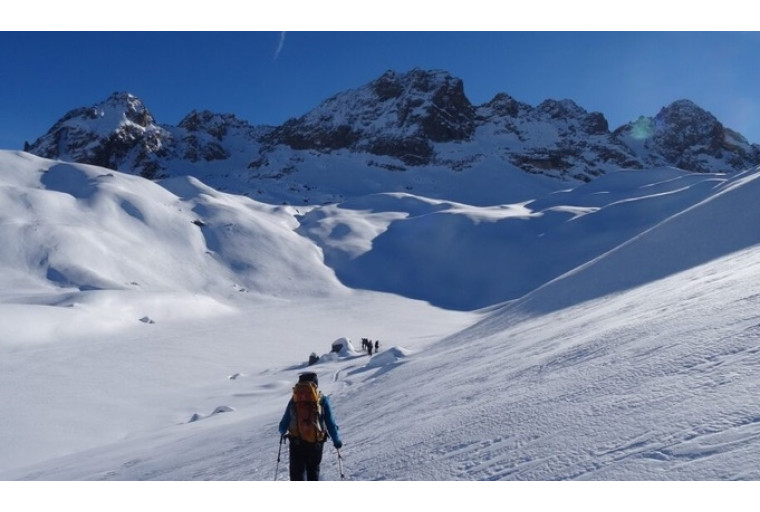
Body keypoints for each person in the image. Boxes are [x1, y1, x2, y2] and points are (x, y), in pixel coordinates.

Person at [278, 372, 342, 480]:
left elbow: (282, 427)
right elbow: (330, 423)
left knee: (297, 475)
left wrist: (284, 430)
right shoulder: (322, 399)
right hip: (315, 444)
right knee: (313, 471)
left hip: (296, 443)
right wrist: (336, 441)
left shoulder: (294, 400)